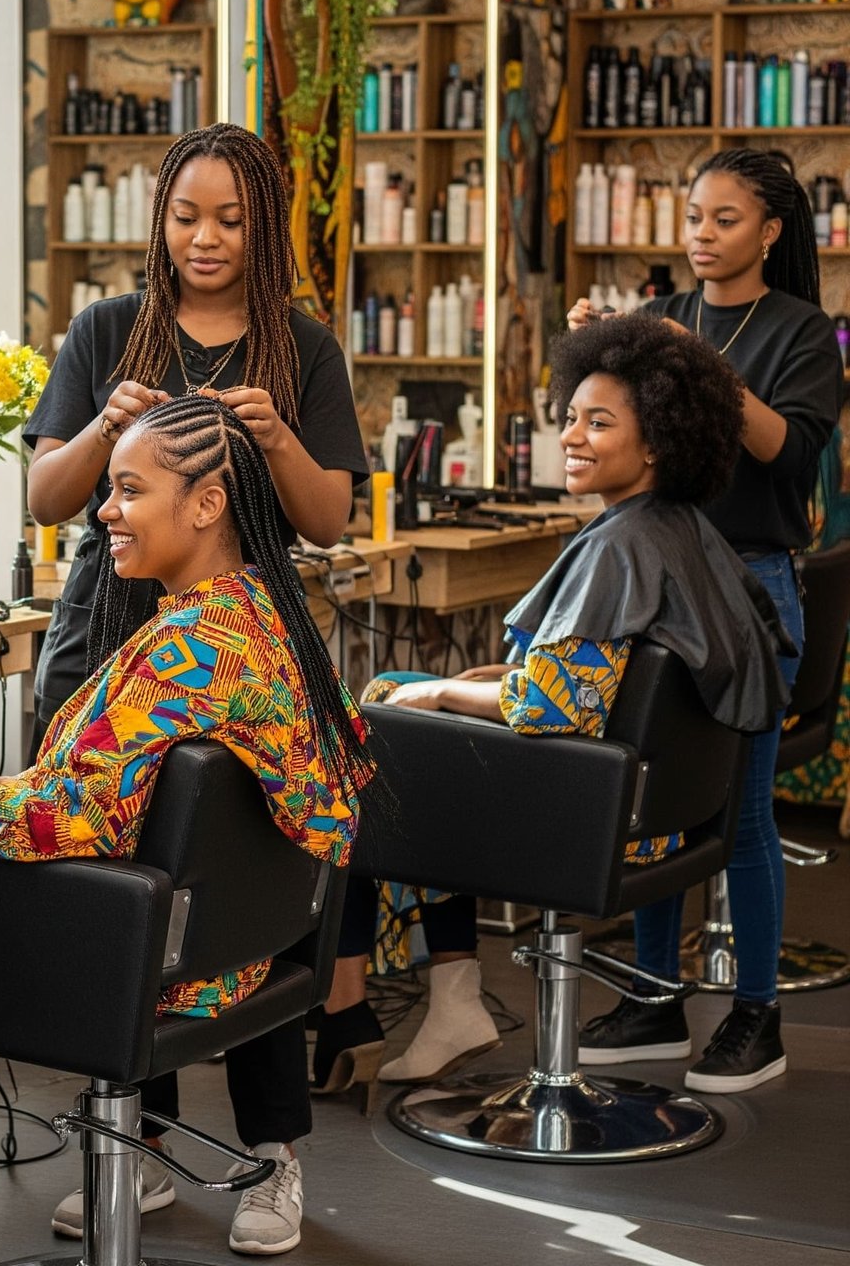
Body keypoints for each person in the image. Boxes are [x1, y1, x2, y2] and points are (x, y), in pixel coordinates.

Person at [0, 396, 372, 1266]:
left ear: (206, 505)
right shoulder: (263, 623)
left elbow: (71, 816)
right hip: (225, 951)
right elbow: (110, 792)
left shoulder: (186, 651)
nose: (104, 513)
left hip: (121, 961)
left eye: (128, 491)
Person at [21, 123, 366, 1256]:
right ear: (158, 218)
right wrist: (106, 429)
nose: (205, 238)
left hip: (236, 655)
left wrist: (277, 448)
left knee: (240, 889)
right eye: (186, 215)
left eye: (229, 217)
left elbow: (327, 520)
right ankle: (141, 1143)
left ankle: (273, 1154)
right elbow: (44, 494)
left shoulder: (301, 348)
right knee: (112, 892)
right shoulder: (106, 331)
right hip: (106, 633)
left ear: (263, 226)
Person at [313, 314, 792, 1097]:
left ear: (658, 444)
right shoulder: (682, 533)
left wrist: (436, 690)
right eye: (570, 415)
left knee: (365, 756)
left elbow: (550, 707)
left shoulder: (618, 549)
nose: (572, 435)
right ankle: (444, 1000)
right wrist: (460, 686)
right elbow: (604, 679)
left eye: (600, 422)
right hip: (664, 812)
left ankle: (356, 1012)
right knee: (403, 708)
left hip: (591, 822)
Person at [566, 147, 840, 1092]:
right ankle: (653, 995)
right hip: (663, 586)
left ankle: (755, 1015)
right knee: (659, 808)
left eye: (724, 219)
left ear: (769, 231)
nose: (702, 235)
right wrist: (608, 356)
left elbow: (784, 452)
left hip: (752, 594)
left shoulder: (804, 333)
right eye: (693, 217)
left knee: (742, 815)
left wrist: (679, 365)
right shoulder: (668, 321)